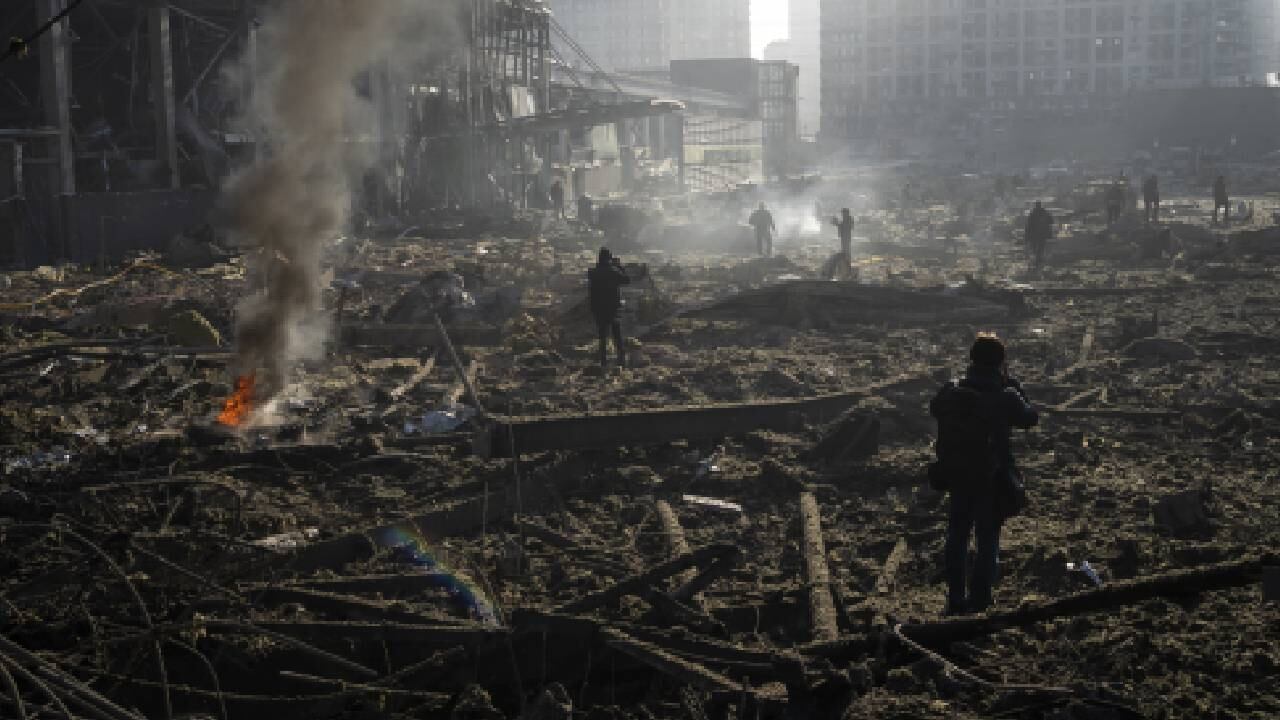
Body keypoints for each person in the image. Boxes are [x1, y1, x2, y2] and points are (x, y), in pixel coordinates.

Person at [930, 335, 1038, 615]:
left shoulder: (951, 391)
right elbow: (1030, 418)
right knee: (988, 537)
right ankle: (980, 599)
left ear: (972, 359)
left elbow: (934, 409)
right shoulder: (1005, 395)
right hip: (991, 476)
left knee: (956, 534)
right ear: (1001, 362)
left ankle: (955, 598)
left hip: (956, 473)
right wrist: (1015, 387)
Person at [587, 247, 630, 369]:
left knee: (602, 335)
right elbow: (626, 280)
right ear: (609, 258)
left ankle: (603, 361)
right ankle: (621, 358)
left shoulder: (593, 272)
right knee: (617, 333)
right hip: (612, 308)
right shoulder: (613, 271)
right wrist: (619, 266)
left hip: (598, 308)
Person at [1025, 201, 1053, 271]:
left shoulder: (1033, 213)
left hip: (1035, 235)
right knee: (1040, 247)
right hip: (1041, 234)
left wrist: (1027, 235)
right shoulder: (1044, 213)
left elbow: (1028, 225)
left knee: (1036, 247)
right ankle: (1038, 259)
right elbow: (1051, 221)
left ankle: (1037, 260)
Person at [827, 208, 855, 279]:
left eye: (843, 213)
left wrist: (838, 224)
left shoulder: (849, 219)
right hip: (844, 237)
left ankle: (847, 265)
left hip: (846, 237)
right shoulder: (846, 219)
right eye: (842, 213)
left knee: (846, 250)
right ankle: (845, 264)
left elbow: (847, 227)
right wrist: (837, 224)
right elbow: (842, 226)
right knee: (844, 250)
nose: (842, 215)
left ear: (846, 213)